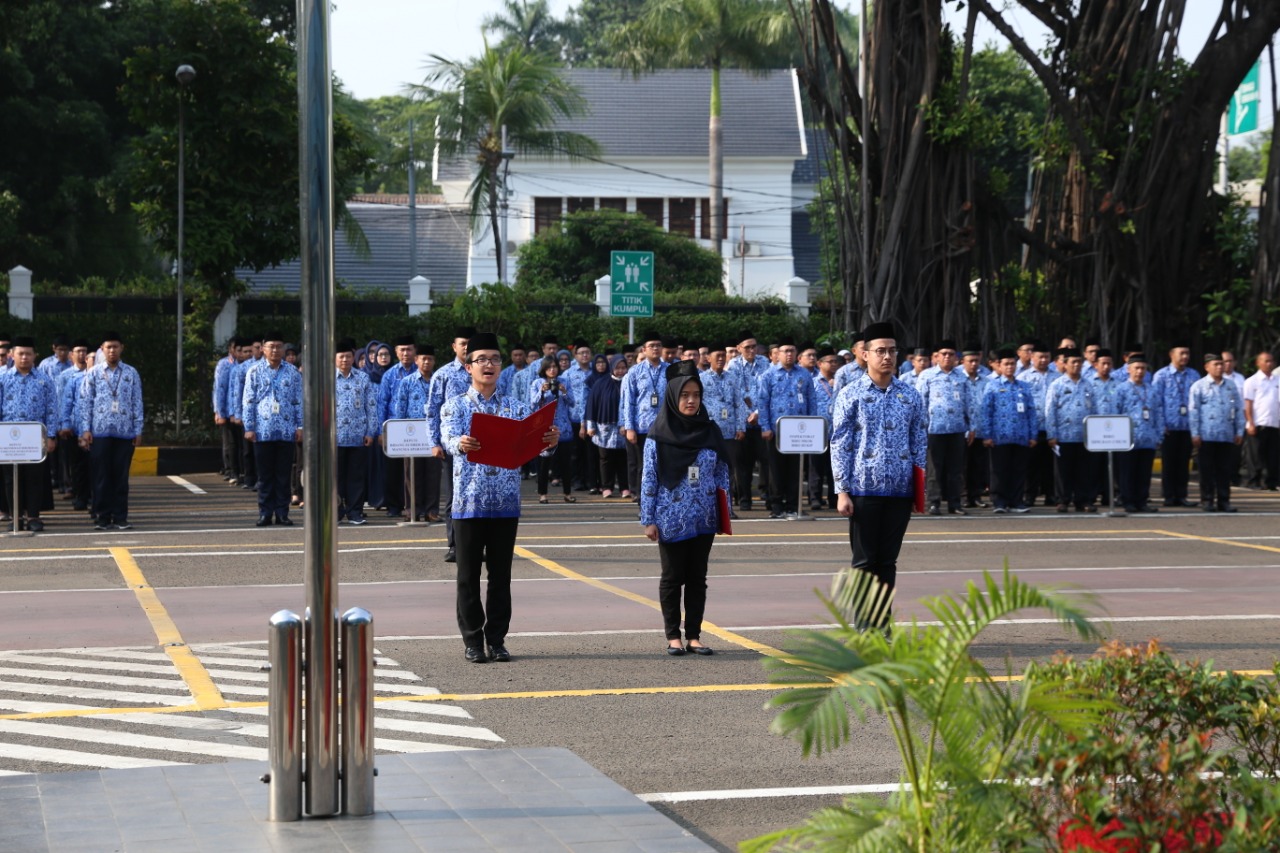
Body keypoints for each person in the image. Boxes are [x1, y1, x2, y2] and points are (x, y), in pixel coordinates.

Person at [440, 332, 559, 663]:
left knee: (500, 576)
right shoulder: (455, 406)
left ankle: (497, 638)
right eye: (481, 360)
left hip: (505, 504)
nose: (488, 365)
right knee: (467, 576)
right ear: (468, 367)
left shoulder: (516, 407)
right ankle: (472, 641)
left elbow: (533, 448)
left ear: (501, 366)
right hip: (468, 503)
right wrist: (459, 443)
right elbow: (447, 439)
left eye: (494, 359)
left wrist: (549, 441)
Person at [830, 323, 927, 626]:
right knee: (864, 561)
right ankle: (864, 625)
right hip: (863, 489)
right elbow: (840, 443)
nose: (887, 357)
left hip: (899, 490)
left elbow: (919, 443)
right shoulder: (851, 393)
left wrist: (918, 491)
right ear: (865, 354)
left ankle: (882, 624)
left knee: (887, 562)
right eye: (880, 351)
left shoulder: (910, 395)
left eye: (891, 351)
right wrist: (842, 490)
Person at [640, 359, 731, 656]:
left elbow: (721, 473)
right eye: (684, 395)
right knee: (672, 577)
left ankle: (694, 635)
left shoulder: (710, 430)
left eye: (696, 395)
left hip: (704, 517)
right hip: (670, 518)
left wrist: (723, 512)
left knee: (697, 578)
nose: (691, 401)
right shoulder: (658, 435)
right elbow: (649, 479)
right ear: (673, 396)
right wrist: (648, 519)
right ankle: (672, 636)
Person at [77, 332, 144, 530]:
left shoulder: (131, 373)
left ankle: (120, 516)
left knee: (120, 477)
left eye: (115, 346)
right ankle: (102, 516)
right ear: (102, 349)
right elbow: (85, 402)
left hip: (124, 432)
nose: (112, 350)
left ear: (122, 347)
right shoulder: (94, 373)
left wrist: (138, 429)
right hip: (99, 432)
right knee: (101, 476)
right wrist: (85, 430)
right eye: (108, 347)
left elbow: (137, 402)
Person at [242, 332, 303, 527]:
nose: (275, 350)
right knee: (265, 475)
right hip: (263, 431)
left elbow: (299, 401)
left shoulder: (293, 372)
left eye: (279, 346)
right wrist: (249, 427)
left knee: (283, 474)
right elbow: (248, 401)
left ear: (284, 349)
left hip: (286, 431)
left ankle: (283, 513)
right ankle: (265, 513)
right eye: (271, 346)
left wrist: (300, 426)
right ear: (263, 349)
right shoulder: (254, 371)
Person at [0, 337, 58, 531]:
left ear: (35, 356)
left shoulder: (44, 380)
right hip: (9, 438)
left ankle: (33, 516)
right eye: (20, 353)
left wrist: (51, 437)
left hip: (35, 438)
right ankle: (15, 517)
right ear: (12, 355)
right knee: (11, 479)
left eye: (28, 354)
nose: (24, 357)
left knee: (35, 478)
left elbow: (51, 409)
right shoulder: (3, 378)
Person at [426, 328, 474, 557]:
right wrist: (434, 442)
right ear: (454, 346)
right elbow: (433, 410)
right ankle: (455, 545)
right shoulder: (443, 374)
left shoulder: (484, 372)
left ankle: (475, 545)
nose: (466, 347)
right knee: (454, 496)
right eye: (462, 343)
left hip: (479, 445)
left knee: (477, 497)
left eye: (470, 343)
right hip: (452, 446)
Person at [757, 337, 815, 518]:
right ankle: (776, 505)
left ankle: (793, 504)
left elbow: (811, 400)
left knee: (795, 469)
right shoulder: (768, 375)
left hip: (799, 430)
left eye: (792, 350)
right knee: (776, 469)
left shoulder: (804, 375)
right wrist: (765, 426)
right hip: (776, 430)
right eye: (785, 351)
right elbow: (762, 402)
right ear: (777, 354)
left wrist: (813, 424)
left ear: (796, 354)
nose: (789, 354)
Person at [979, 349, 1039, 513]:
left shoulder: (1024, 387)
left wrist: (1033, 435)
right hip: (999, 437)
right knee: (999, 470)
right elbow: (986, 412)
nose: (1010, 367)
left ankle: (1016, 501)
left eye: (1012, 363)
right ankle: (999, 502)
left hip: (1021, 436)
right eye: (1006, 364)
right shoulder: (992, 386)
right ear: (999, 365)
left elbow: (1031, 412)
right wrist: (987, 435)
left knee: (1019, 470)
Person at [917, 340, 972, 515]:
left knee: (956, 469)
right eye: (944, 354)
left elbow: (969, 404)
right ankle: (934, 502)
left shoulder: (962, 377)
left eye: (951, 354)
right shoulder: (927, 375)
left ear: (956, 357)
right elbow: (920, 403)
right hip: (934, 429)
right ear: (937, 357)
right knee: (934, 469)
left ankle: (955, 503)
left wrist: (972, 427)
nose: (947, 357)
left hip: (957, 430)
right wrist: (920, 428)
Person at [1189, 353, 1244, 512]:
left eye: (1221, 364)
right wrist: (1195, 433)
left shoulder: (1231, 386)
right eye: (1216, 364)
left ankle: (1224, 500)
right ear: (1207, 367)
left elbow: (1238, 409)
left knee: (1224, 470)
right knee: (1206, 470)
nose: (1220, 367)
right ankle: (1207, 500)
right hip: (1206, 435)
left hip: (1226, 434)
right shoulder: (1199, 386)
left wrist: (1239, 430)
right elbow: (1194, 411)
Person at [394, 343, 442, 523]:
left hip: (434, 434)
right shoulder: (407, 382)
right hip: (412, 433)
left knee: (433, 473)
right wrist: (400, 434)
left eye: (430, 359)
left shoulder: (438, 381)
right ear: (416, 360)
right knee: (412, 473)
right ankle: (412, 510)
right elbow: (400, 408)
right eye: (423, 358)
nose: (427, 362)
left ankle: (431, 510)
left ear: (434, 361)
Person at [1044, 347, 1097, 512]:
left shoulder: (1088, 385)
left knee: (1085, 470)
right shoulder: (1057, 385)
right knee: (1063, 471)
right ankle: (1063, 500)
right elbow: (1050, 410)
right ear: (1065, 364)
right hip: (1064, 435)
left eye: (1079, 362)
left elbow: (1094, 410)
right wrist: (1052, 434)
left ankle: (1083, 500)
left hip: (1084, 436)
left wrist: (1095, 434)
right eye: (1073, 362)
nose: (1077, 365)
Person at [727, 331, 773, 511]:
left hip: (762, 421)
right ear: (739, 349)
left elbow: (768, 392)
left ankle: (769, 497)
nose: (752, 350)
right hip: (743, 422)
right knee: (742, 464)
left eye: (754, 346)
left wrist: (757, 413)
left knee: (766, 461)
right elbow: (735, 394)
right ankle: (745, 499)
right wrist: (748, 414)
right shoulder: (733, 365)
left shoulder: (764, 363)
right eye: (747, 347)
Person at [620, 331, 667, 501]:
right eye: (651, 346)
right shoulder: (635, 372)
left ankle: (662, 499)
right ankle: (643, 499)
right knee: (643, 465)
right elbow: (629, 401)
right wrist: (629, 427)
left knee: (663, 464)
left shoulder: (670, 370)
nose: (655, 348)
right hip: (641, 426)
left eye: (658, 345)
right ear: (644, 349)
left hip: (664, 427)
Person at [335, 338, 377, 525]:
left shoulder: (362, 378)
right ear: (335, 358)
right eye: (341, 356)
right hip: (333, 438)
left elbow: (371, 407)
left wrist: (370, 432)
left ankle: (355, 512)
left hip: (358, 436)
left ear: (354, 357)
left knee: (356, 477)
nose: (345, 360)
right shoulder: (326, 379)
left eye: (348, 356)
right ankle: (335, 511)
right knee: (335, 478)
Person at [700, 342, 746, 515]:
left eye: (722, 355)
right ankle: (709, 507)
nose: (720, 358)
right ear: (708, 358)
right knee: (708, 469)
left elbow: (739, 404)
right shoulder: (702, 379)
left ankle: (727, 508)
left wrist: (741, 426)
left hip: (729, 432)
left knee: (728, 471)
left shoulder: (732, 378)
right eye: (716, 355)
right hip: (709, 433)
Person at [1152, 341, 1199, 507]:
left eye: (1187, 353)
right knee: (1169, 463)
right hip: (1169, 427)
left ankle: (1182, 495)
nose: (1185, 356)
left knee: (1183, 462)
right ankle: (1169, 495)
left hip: (1186, 426)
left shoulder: (1194, 375)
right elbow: (1156, 402)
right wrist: (1160, 424)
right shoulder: (1161, 376)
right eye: (1181, 353)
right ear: (1172, 355)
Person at [1114, 352, 1163, 513]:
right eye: (1136, 368)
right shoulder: (1121, 389)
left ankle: (1142, 501)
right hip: (1127, 439)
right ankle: (1127, 500)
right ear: (1128, 369)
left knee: (1144, 473)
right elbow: (1115, 413)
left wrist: (1159, 434)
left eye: (1143, 368)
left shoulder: (1152, 390)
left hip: (1148, 438)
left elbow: (1158, 413)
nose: (1139, 371)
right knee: (1127, 472)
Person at [377, 336, 418, 519]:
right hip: (394, 427)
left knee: (415, 470)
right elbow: (382, 403)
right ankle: (393, 505)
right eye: (402, 350)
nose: (406, 353)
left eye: (409, 349)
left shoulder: (422, 371)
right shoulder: (390, 375)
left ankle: (416, 506)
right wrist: (381, 431)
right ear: (396, 352)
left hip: (418, 428)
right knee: (393, 470)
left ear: (414, 351)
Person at [530, 355, 575, 503]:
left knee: (566, 463)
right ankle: (543, 494)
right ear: (544, 369)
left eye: (555, 367)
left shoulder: (565, 381)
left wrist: (564, 391)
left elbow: (572, 402)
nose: (552, 370)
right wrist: (541, 392)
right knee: (544, 463)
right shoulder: (537, 383)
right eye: (549, 367)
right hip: (545, 428)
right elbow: (532, 405)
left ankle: (567, 493)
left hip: (563, 428)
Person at [57, 339, 92, 512]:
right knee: (77, 466)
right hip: (74, 428)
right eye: (78, 350)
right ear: (72, 354)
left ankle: (93, 496)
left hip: (96, 429)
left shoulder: (98, 375)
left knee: (94, 465)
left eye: (85, 351)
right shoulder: (67, 376)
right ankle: (79, 495)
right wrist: (64, 424)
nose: (82, 354)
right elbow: (63, 402)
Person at [586, 354, 629, 497]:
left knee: (623, 459)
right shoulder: (601, 383)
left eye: (624, 368)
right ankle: (606, 487)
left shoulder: (630, 382)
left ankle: (624, 488)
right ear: (612, 368)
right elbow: (592, 404)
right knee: (605, 459)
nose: (621, 371)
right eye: (618, 368)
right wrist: (590, 426)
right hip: (604, 429)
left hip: (624, 428)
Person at [809, 347, 841, 510]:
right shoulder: (813, 382)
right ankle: (815, 497)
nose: (834, 364)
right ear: (820, 364)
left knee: (834, 467)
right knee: (816, 467)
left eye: (836, 361)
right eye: (830, 361)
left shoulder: (840, 382)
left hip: (837, 432)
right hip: (817, 431)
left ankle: (834, 498)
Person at [1243, 351, 1278, 491]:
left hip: (1274, 423)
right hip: (1258, 423)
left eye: (1271, 361)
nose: (1269, 364)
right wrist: (1250, 422)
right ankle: (1254, 480)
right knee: (1255, 455)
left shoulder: (1277, 380)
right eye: (1266, 361)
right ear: (1258, 363)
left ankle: (1271, 482)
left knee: (1273, 455)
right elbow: (1248, 404)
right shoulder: (1252, 381)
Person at [213, 338, 240, 483]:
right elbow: (219, 389)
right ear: (231, 350)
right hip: (227, 409)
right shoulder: (224, 364)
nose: (240, 352)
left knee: (238, 443)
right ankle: (230, 469)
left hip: (239, 411)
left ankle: (238, 470)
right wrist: (219, 412)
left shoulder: (243, 364)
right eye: (237, 349)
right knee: (229, 442)